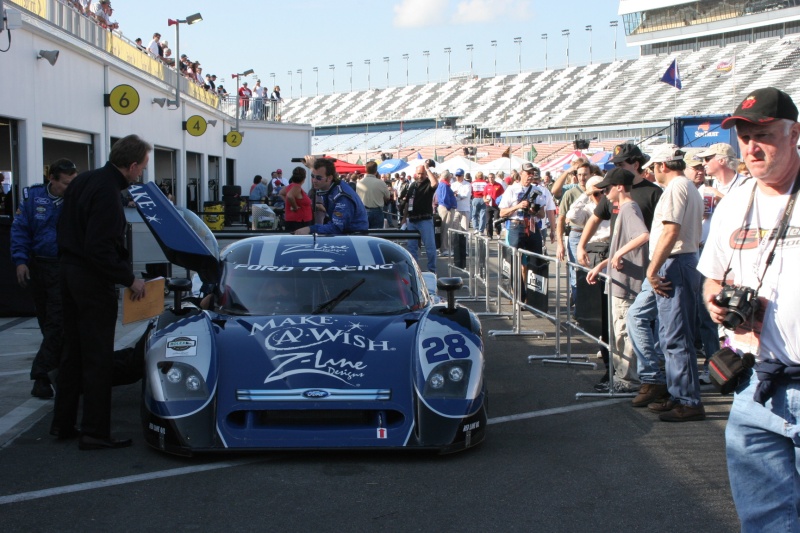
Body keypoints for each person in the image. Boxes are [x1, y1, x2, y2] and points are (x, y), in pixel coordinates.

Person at [698, 87, 800, 529]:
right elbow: (711, 278)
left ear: (794, 134)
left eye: (764, 135)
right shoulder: (734, 202)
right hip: (753, 386)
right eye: (744, 137)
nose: (752, 148)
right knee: (764, 521)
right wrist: (714, 300)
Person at [52, 134, 150, 450]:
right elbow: (99, 248)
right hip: (91, 281)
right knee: (97, 357)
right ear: (132, 165)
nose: (142, 172)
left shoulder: (84, 180)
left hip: (68, 273)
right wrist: (130, 279)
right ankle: (94, 431)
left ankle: (63, 423)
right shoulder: (108, 192)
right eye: (143, 166)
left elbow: (66, 228)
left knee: (72, 352)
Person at [641, 144, 704, 422]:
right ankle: (680, 393)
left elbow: (671, 230)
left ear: (662, 166)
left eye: (654, 167)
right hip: (681, 260)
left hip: (676, 262)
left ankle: (687, 400)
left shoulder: (677, 187)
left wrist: (652, 268)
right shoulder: (686, 186)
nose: (653, 172)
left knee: (675, 336)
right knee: (672, 335)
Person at [11, 159, 78, 399]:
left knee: (57, 323)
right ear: (52, 179)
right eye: (66, 183)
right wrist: (20, 261)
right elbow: (20, 230)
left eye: (73, 183)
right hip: (38, 266)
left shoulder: (76, 200)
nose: (69, 188)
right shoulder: (34, 198)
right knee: (47, 322)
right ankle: (56, 373)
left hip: (63, 267)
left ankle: (40, 376)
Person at [587, 168, 649, 394]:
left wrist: (620, 254)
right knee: (618, 332)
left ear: (619, 187)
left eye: (607, 189)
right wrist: (603, 264)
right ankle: (622, 376)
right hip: (620, 281)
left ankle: (628, 379)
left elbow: (643, 235)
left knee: (623, 333)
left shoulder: (629, 208)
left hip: (626, 283)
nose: (604, 193)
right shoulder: (624, 209)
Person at [498, 162, 549, 300]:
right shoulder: (511, 189)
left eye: (532, 173)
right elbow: (502, 212)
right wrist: (518, 206)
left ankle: (534, 297)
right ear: (521, 174)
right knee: (515, 261)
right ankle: (519, 296)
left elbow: (542, 214)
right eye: (528, 173)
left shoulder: (537, 190)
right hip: (516, 226)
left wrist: (534, 210)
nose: (530, 176)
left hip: (532, 226)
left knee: (536, 261)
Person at [294, 157, 368, 235]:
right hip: (348, 234)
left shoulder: (342, 196)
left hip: (354, 237)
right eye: (312, 176)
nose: (314, 180)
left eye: (319, 178)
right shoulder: (333, 186)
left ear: (329, 178)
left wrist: (311, 229)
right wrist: (313, 166)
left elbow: (337, 227)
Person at [400, 161, 439, 273]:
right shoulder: (413, 185)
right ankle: (414, 271)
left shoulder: (428, 183)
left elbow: (435, 184)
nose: (420, 176)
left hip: (425, 220)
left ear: (425, 174)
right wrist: (404, 218)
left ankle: (432, 270)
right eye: (418, 173)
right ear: (415, 174)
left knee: (430, 247)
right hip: (412, 220)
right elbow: (408, 202)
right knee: (411, 248)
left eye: (422, 173)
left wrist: (427, 169)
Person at [356, 161, 391, 229]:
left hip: (364, 210)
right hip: (377, 211)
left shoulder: (359, 182)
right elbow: (388, 197)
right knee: (376, 233)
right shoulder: (381, 183)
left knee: (364, 232)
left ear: (366, 169)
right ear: (376, 171)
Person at [281, 166, 312, 232]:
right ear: (304, 177)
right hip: (299, 221)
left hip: (292, 220)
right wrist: (294, 207)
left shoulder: (290, 186)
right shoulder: (297, 187)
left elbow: (281, 193)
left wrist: (288, 202)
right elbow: (289, 196)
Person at [435, 171, 458, 257]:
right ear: (448, 177)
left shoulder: (442, 184)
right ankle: (444, 248)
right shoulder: (444, 185)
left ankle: (443, 248)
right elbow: (444, 198)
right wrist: (449, 207)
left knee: (444, 228)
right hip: (446, 208)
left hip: (444, 207)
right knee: (446, 229)